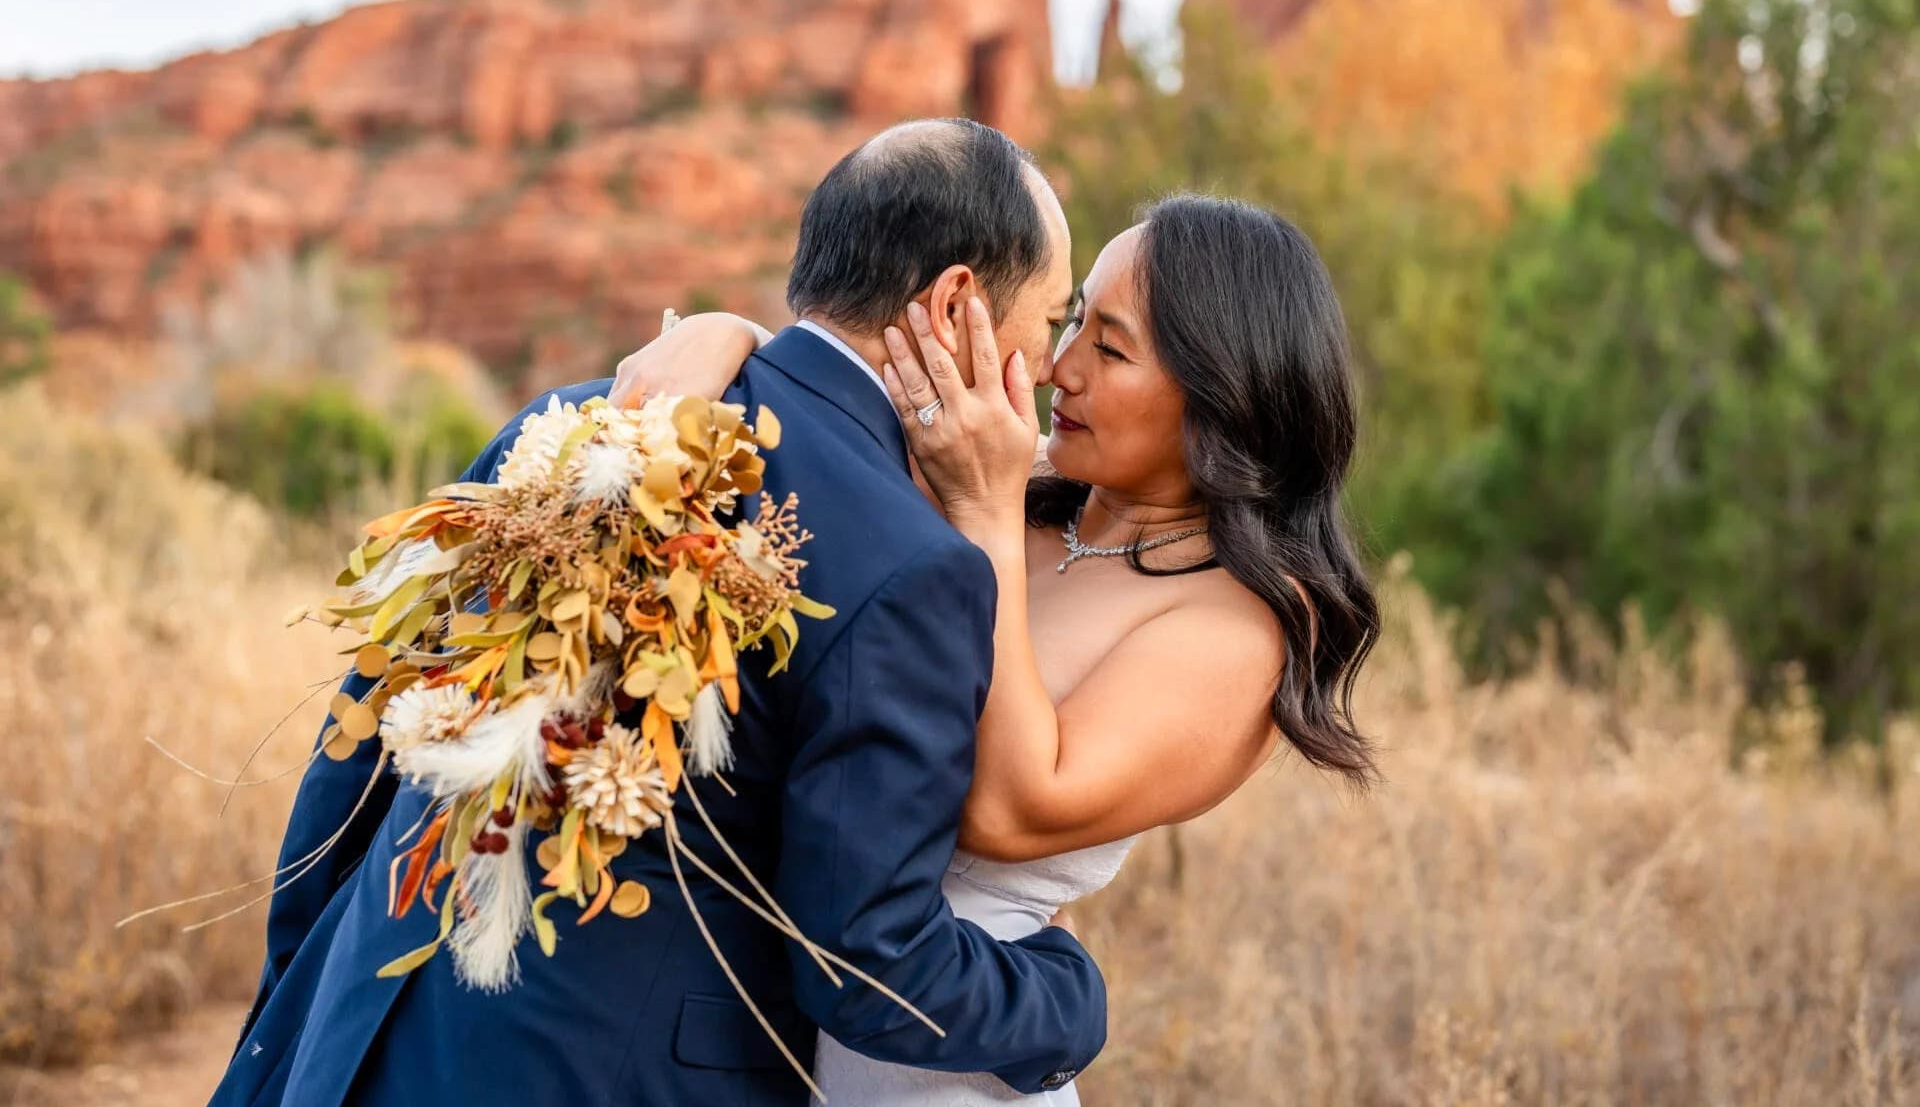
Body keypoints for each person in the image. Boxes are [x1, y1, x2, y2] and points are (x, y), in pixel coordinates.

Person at [209, 118, 1105, 1107]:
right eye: (1053, 318)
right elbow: (868, 960)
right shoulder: (914, 567)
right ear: (953, 306)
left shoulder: (575, 422)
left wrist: (293, 1006)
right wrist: (1067, 999)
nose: (1053, 361)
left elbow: (360, 748)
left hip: (358, 1030)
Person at [615, 191, 1380, 1104]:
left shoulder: (1239, 625)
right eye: (1075, 320)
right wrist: (724, 333)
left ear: (1221, 391)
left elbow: (1008, 808)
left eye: (1111, 345)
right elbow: (829, 409)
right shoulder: (1018, 483)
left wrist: (981, 510)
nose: (1059, 367)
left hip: (942, 1065)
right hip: (758, 1027)